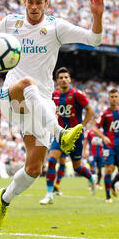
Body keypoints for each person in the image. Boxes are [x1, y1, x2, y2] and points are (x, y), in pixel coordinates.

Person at [0, 0, 103, 227]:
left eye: (38, 2)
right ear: (24, 2)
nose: (33, 7)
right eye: (30, 2)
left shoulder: (56, 27)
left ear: (46, 4)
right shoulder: (11, 22)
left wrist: (97, 17)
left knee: (34, 168)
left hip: (41, 106)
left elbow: (94, 39)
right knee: (28, 81)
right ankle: (61, 134)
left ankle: (5, 198)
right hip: (13, 96)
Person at [39, 67, 96, 205]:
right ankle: (49, 194)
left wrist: (81, 126)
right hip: (60, 133)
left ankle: (91, 178)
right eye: (61, 78)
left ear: (69, 79)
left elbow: (90, 111)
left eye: (66, 77)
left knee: (77, 167)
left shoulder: (77, 94)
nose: (64, 80)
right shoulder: (54, 95)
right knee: (52, 160)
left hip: (75, 136)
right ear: (57, 81)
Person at [93, 89, 119, 203]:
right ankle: (108, 196)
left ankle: (113, 184)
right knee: (109, 169)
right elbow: (95, 129)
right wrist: (103, 137)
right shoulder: (104, 113)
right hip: (109, 146)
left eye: (116, 96)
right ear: (109, 98)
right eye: (112, 96)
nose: (114, 98)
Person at [83, 121, 104, 191]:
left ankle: (98, 183)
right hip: (92, 153)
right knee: (92, 168)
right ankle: (90, 184)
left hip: (101, 153)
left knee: (100, 168)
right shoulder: (90, 132)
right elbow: (85, 141)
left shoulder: (102, 131)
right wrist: (84, 151)